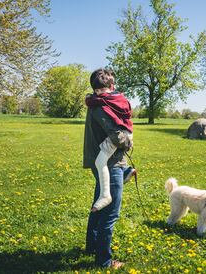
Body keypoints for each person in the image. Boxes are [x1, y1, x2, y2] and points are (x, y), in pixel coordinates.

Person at [83, 68, 135, 269]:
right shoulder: (102, 107)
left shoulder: (96, 102)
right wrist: (128, 141)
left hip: (106, 162)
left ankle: (92, 247)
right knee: (110, 211)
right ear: (112, 86)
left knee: (99, 205)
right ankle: (104, 260)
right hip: (109, 163)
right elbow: (116, 135)